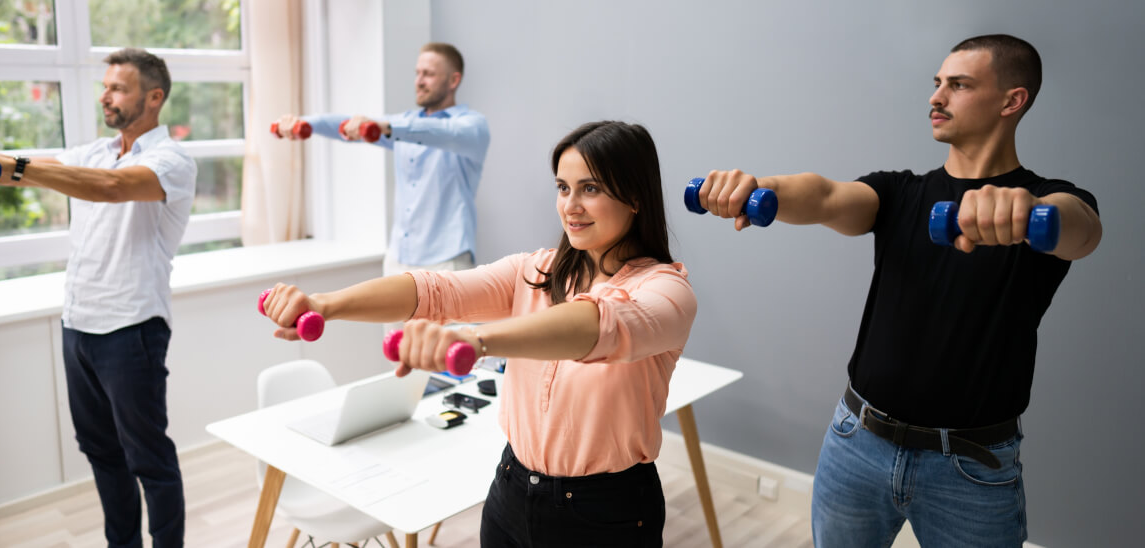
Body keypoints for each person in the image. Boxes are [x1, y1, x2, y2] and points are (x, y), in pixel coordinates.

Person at [695, 34, 1101, 546]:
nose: (936, 97)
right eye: (937, 83)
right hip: (855, 442)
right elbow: (823, 196)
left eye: (959, 85)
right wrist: (758, 188)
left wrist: (1025, 211)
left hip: (970, 470)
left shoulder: (1046, 203)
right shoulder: (899, 193)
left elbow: (1082, 231)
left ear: (1011, 101)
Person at [261, 121, 694, 547]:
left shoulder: (666, 291)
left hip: (606, 513)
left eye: (590, 188)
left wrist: (476, 340)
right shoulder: (536, 271)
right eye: (563, 188)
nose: (570, 206)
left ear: (634, 197)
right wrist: (325, 305)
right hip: (511, 489)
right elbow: (435, 290)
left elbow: (599, 325)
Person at [0, 48, 196, 548]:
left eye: (118, 88)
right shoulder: (94, 152)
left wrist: (16, 165)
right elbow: (19, 169)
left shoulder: (172, 160)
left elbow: (109, 187)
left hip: (132, 329)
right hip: (78, 326)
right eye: (105, 86)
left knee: (149, 460)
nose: (105, 96)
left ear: (154, 97)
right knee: (102, 453)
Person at [272, 42, 490, 276]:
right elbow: (345, 124)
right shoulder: (401, 124)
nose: (419, 81)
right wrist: (305, 123)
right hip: (398, 259)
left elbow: (440, 132)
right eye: (417, 73)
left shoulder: (472, 127)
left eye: (428, 74)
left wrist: (386, 127)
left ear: (454, 80)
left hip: (447, 262)